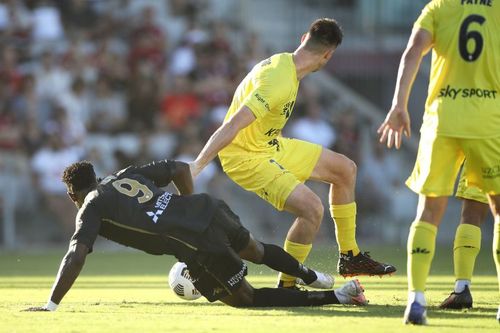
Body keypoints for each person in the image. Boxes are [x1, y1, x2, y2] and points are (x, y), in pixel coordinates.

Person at [189, 18, 396, 290]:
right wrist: (197, 166)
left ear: (302, 39)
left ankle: (350, 257)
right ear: (328, 55)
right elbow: (232, 125)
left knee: (345, 169)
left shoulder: (284, 65)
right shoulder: (279, 80)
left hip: (270, 145)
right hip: (245, 157)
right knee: (312, 209)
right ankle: (286, 286)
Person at [25, 159, 368, 311]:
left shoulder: (90, 207)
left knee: (245, 299)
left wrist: (51, 303)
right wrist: (188, 205)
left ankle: (338, 296)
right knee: (257, 249)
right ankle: (312, 276)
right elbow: (180, 169)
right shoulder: (125, 174)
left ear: (73, 195)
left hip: (197, 243)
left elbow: (76, 254)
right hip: (208, 209)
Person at [377, 0, 500, 325]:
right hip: (488, 120)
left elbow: (412, 52)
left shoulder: (438, 8)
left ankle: (416, 300)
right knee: (498, 209)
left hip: (442, 119)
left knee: (429, 211)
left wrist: (398, 105)